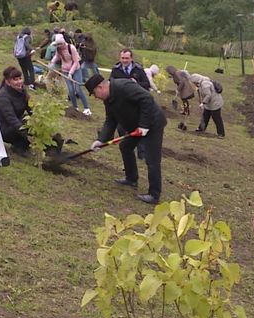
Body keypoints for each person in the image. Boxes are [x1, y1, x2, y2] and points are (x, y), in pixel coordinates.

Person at [85, 73, 167, 205]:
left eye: (94, 93)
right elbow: (110, 120)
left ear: (100, 87)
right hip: (137, 126)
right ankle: (131, 178)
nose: (95, 97)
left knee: (152, 159)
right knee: (125, 146)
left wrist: (144, 125)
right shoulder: (108, 99)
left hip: (153, 123)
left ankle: (154, 194)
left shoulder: (123, 86)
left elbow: (146, 98)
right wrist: (101, 140)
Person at [50, 34, 91, 116]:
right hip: (65, 70)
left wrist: (71, 73)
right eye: (57, 44)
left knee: (78, 89)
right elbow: (56, 57)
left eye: (59, 44)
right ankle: (75, 107)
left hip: (76, 70)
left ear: (63, 42)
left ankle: (87, 108)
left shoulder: (71, 48)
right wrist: (52, 63)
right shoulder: (58, 49)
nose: (58, 46)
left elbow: (76, 61)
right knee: (71, 91)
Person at [189, 73, 224, 138]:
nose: (193, 84)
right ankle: (201, 128)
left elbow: (208, 95)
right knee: (205, 116)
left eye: (193, 82)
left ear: (196, 81)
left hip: (215, 103)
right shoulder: (201, 83)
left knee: (216, 118)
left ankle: (221, 134)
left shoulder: (205, 84)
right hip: (209, 104)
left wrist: (203, 103)